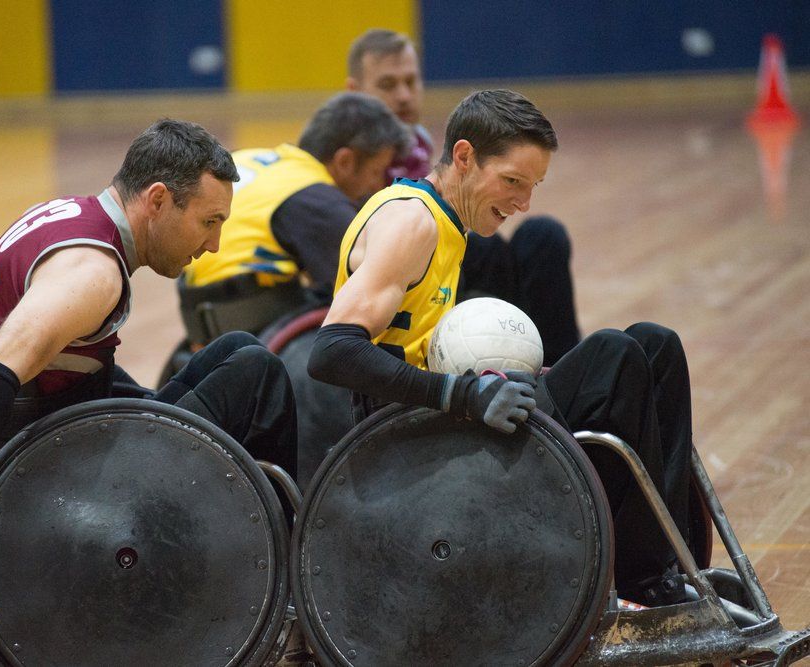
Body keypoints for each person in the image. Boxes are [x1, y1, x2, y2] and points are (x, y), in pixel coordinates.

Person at [308, 89, 693, 606]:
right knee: (613, 356)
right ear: (464, 156)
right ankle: (640, 583)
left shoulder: (447, 223)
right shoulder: (412, 221)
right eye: (513, 182)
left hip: (446, 421)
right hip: (407, 444)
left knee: (655, 345)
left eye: (533, 187)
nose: (523, 203)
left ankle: (678, 567)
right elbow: (332, 351)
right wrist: (462, 395)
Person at [0, 120, 298, 626]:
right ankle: (281, 584)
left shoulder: (73, 214)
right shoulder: (93, 272)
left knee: (238, 349)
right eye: (209, 221)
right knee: (257, 372)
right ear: (158, 200)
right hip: (57, 475)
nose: (214, 244)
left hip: (67, 434)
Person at [346, 29, 581, 366]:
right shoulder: (344, 153)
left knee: (543, 236)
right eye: (388, 85)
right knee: (481, 247)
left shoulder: (418, 141)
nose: (404, 96)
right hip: (393, 278)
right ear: (354, 92)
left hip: (443, 262)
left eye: (411, 82)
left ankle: (559, 367)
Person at [179, 91, 411, 344]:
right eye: (376, 171)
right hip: (252, 336)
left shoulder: (251, 159)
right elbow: (374, 293)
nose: (377, 185)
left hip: (200, 331)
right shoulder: (319, 201)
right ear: (345, 161)